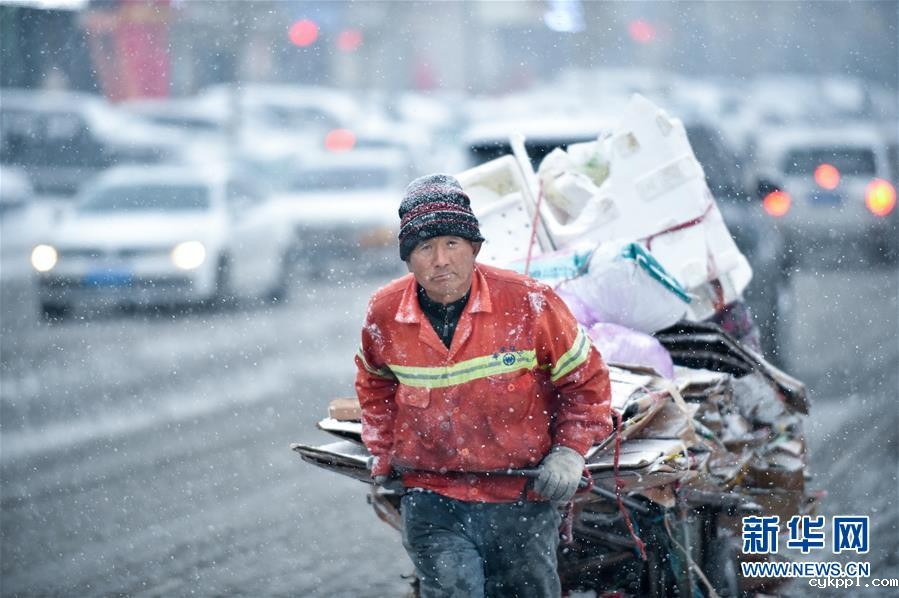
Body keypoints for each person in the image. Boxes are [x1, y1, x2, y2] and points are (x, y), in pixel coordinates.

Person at [355, 173, 612, 598]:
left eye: (452, 243)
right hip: (432, 496)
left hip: (521, 495)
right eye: (425, 248)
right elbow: (374, 385)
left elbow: (585, 382)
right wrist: (382, 453)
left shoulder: (528, 302)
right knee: (453, 589)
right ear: (408, 259)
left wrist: (569, 452)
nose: (440, 260)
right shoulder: (384, 313)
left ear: (474, 248)